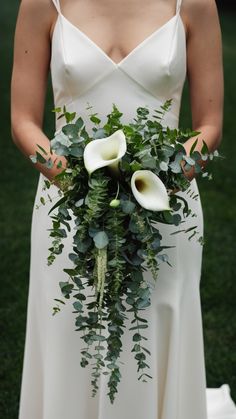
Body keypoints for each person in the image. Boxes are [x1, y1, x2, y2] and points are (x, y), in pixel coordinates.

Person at [11, 1, 235, 419]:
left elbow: (210, 125)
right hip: (68, 208)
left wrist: (160, 184)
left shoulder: (194, 4)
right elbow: (23, 120)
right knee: (69, 339)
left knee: (152, 335)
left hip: (162, 211)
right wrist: (79, 185)